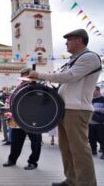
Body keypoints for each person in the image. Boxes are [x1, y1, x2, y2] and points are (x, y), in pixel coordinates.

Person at [28, 29, 101, 186]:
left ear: (79, 40)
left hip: (77, 109)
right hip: (67, 108)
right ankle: (72, 180)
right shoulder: (74, 59)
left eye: (69, 39)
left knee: (79, 149)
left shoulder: (89, 57)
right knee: (66, 147)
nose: (66, 43)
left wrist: (40, 75)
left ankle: (86, 183)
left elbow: (69, 77)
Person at [2, 68, 42, 170]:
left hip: (33, 119)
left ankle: (33, 162)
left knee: (35, 142)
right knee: (15, 141)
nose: (24, 78)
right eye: (23, 75)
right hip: (18, 118)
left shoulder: (39, 87)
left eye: (26, 75)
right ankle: (12, 160)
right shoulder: (18, 87)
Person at [89, 86, 104, 159]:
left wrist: (94, 109)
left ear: (98, 91)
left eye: (93, 91)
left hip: (100, 123)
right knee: (92, 138)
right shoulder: (90, 99)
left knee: (101, 138)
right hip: (90, 122)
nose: (92, 92)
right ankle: (93, 150)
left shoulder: (103, 99)